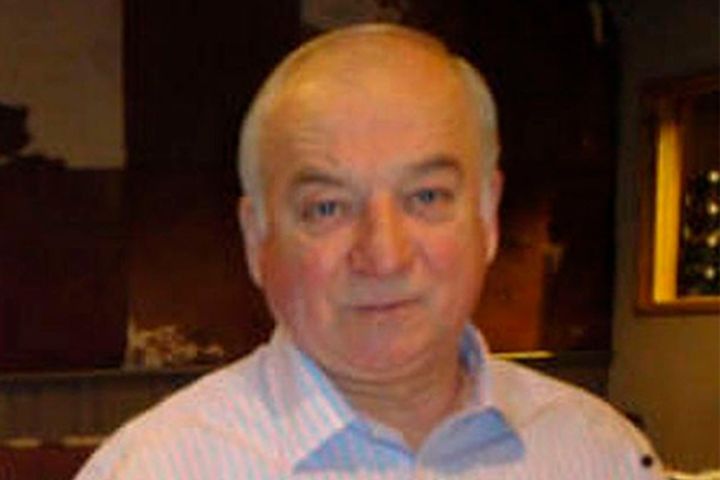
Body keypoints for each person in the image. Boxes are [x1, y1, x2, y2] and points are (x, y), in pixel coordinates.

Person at [76, 23, 664, 479]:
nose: (383, 255)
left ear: (486, 216)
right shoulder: (154, 467)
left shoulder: (601, 454)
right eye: (328, 208)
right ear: (257, 239)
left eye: (426, 197)